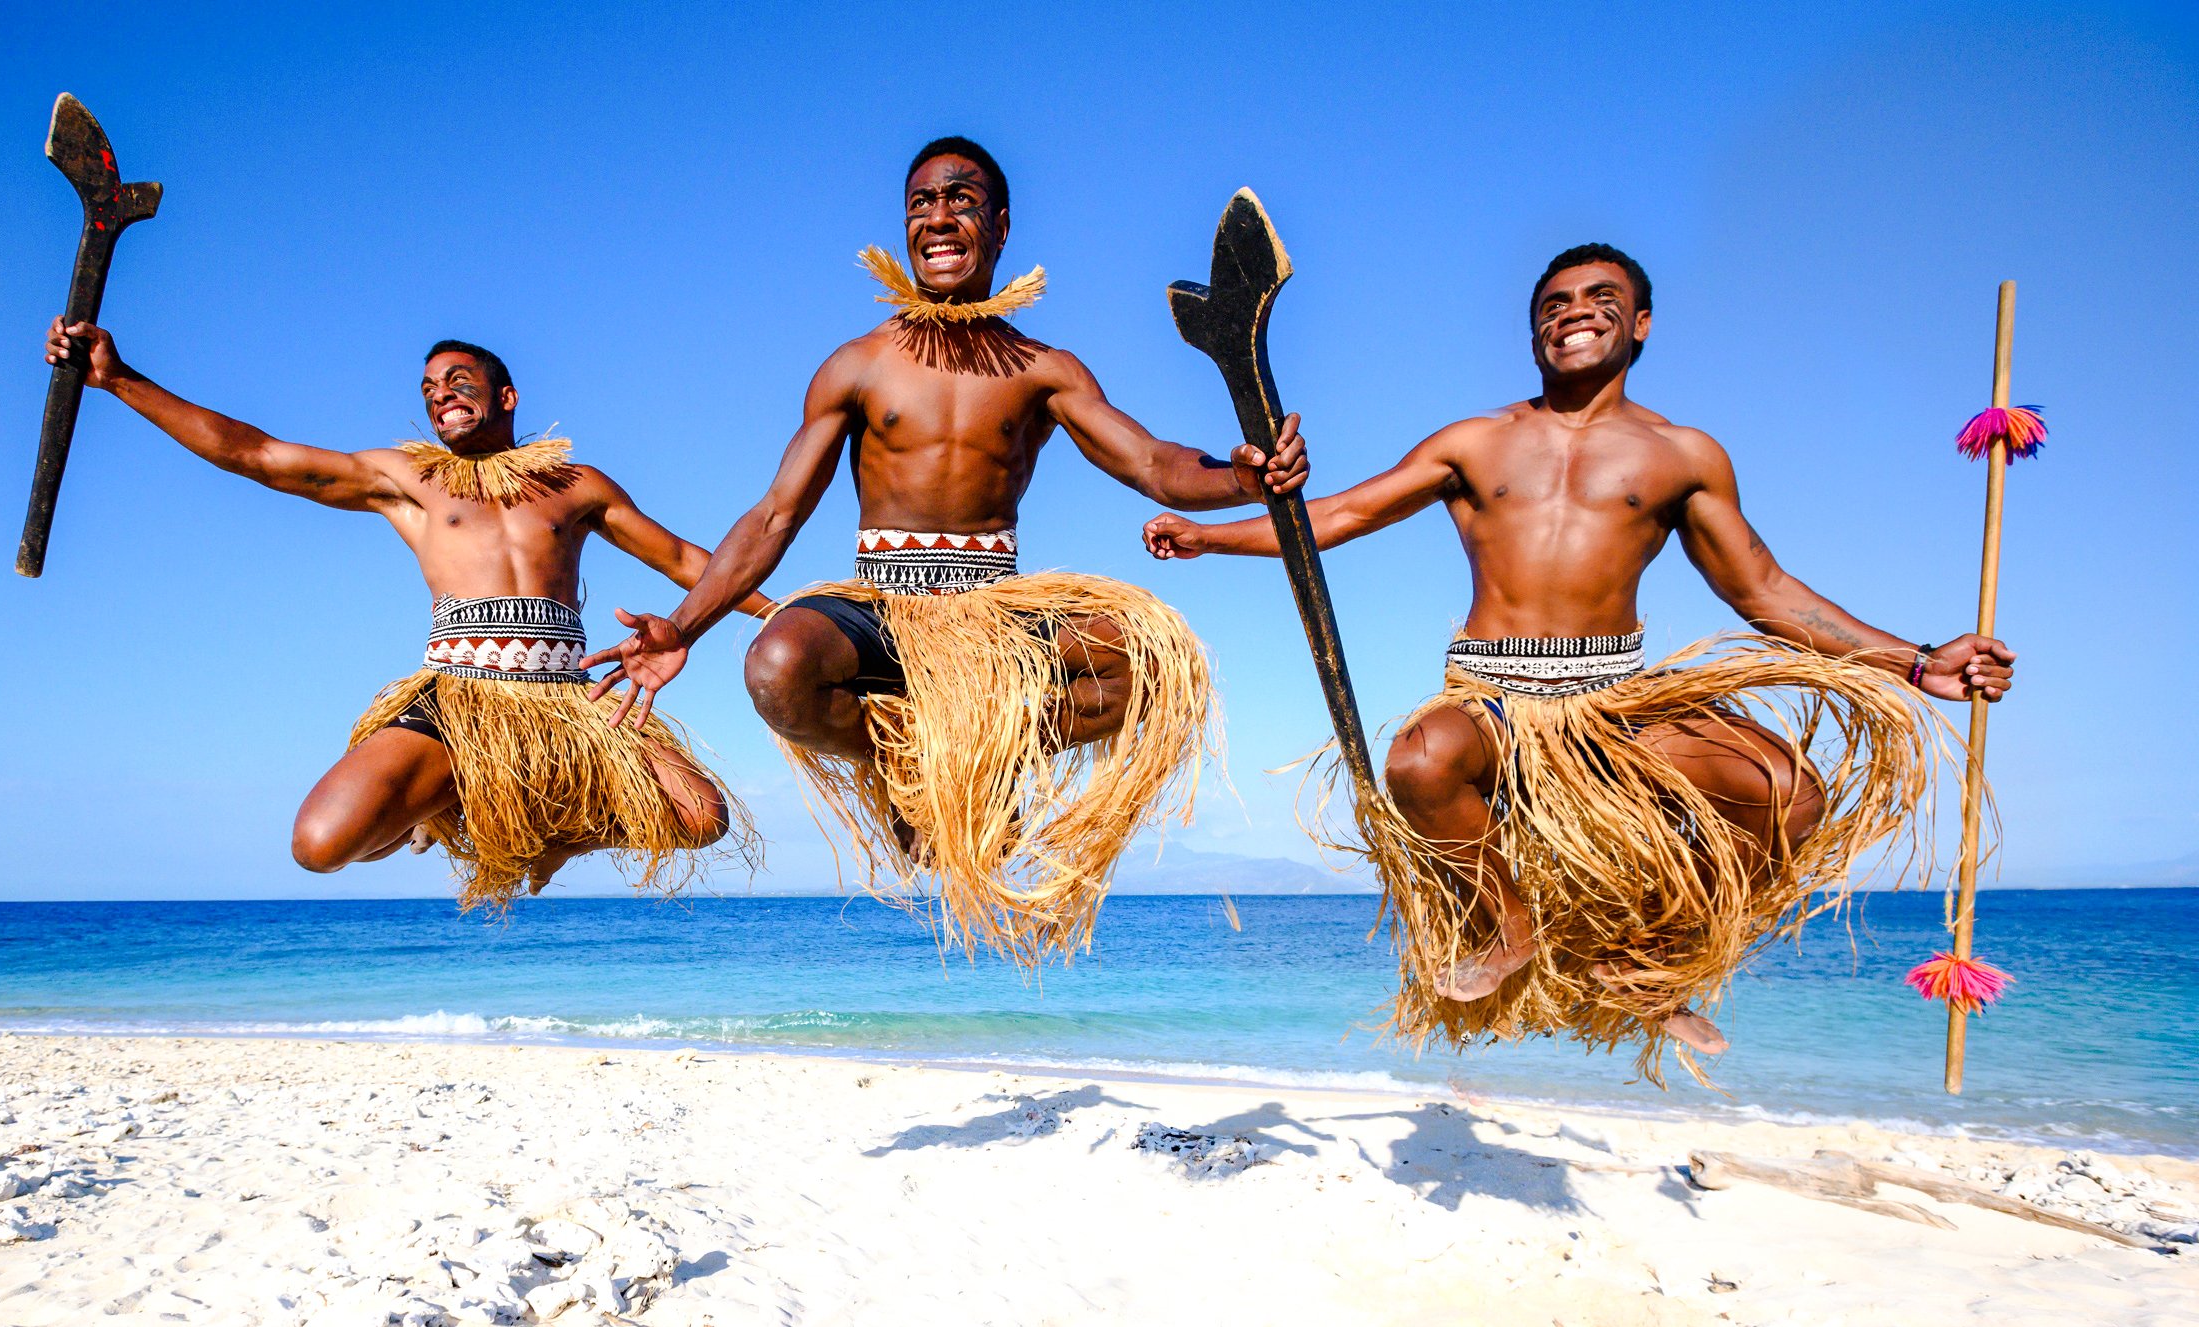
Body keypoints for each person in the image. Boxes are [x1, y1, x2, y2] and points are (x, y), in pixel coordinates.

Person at [1144, 244, 2017, 1078]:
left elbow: (1763, 590)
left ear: (1641, 324)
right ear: (1533, 334)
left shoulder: (1683, 455)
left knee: (1789, 795)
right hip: (1493, 694)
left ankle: (1650, 961)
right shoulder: (1474, 442)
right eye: (1553, 305)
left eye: (1601, 300)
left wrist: (1918, 659)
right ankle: (1508, 929)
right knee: (1417, 760)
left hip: (1616, 701)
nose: (1574, 315)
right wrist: (1209, 540)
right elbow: (1337, 517)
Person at [583, 136, 1307, 964]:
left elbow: (1151, 463)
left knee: (1148, 663)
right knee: (777, 666)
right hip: (882, 612)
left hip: (992, 615)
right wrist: (685, 625)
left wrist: (1243, 478)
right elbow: (777, 514)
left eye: (960, 200)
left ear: (1000, 227)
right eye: (921, 203)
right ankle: (903, 758)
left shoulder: (1045, 370)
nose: (939, 218)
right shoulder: (857, 366)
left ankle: (975, 750)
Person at [41, 321, 768, 910]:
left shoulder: (574, 483)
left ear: (506, 396)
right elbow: (257, 455)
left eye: (459, 381)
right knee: (321, 845)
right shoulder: (408, 479)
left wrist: (780, 614)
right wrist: (119, 379)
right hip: (459, 694)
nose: (441, 396)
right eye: (429, 390)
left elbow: (677, 556)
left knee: (700, 818)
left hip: (571, 698)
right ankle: (449, 805)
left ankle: (554, 841)